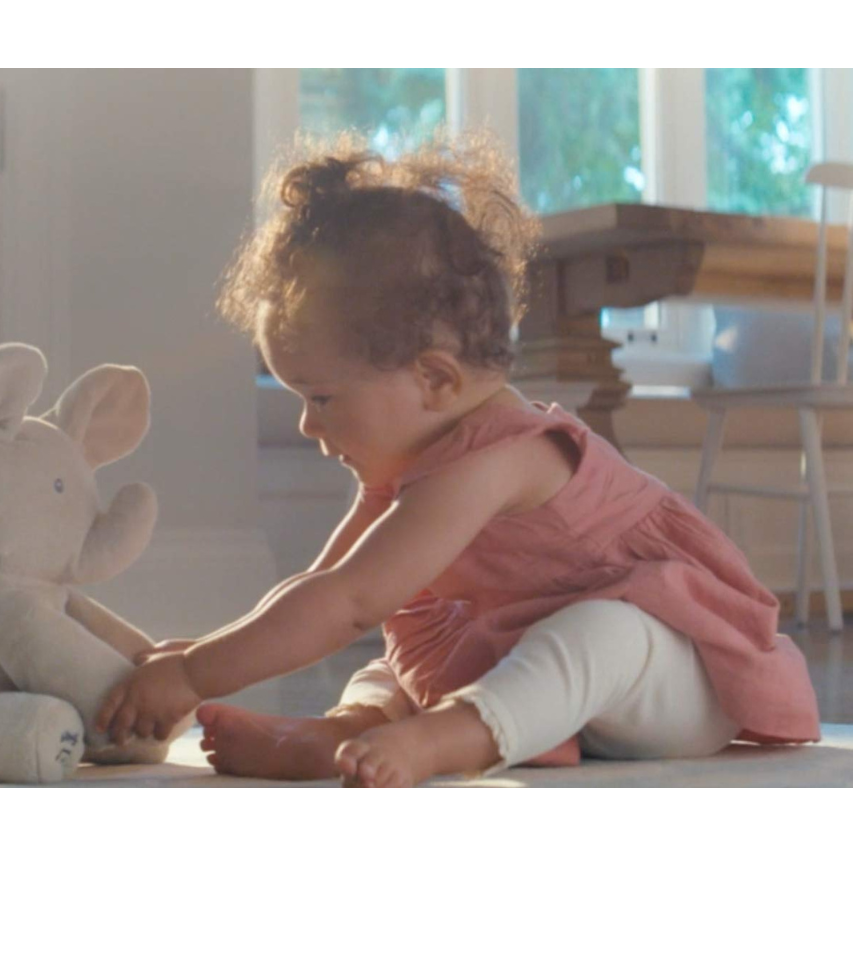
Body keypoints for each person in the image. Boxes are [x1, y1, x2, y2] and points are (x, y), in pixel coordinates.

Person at [96, 129, 821, 787]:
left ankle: (449, 738)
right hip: (536, 676)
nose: (309, 425)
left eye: (321, 397)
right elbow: (321, 586)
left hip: (674, 684)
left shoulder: (500, 458)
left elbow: (348, 604)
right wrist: (205, 652)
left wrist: (194, 676)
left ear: (435, 379)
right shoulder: (411, 464)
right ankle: (348, 729)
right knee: (401, 655)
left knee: (605, 631)